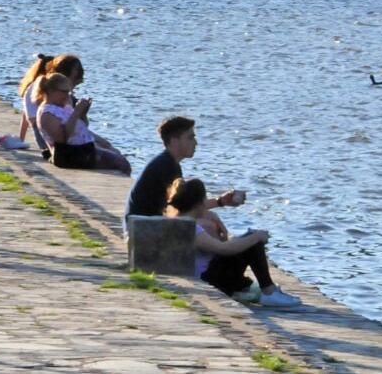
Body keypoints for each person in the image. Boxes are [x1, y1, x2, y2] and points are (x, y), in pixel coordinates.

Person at [168, 178, 301, 307]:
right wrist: (256, 237)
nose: (206, 203)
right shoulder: (190, 229)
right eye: (204, 199)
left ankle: (267, 290)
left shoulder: (179, 221)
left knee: (248, 238)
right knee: (252, 241)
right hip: (207, 281)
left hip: (206, 275)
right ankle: (269, 292)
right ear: (198, 203)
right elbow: (223, 249)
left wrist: (244, 237)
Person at [126, 116, 245, 223]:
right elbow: (185, 210)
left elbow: (186, 206)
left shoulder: (169, 164)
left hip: (142, 226)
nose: (196, 143)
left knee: (207, 220)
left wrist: (221, 201)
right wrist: (220, 202)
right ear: (174, 140)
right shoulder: (165, 166)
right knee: (208, 223)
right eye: (190, 137)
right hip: (143, 229)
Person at [35, 73, 131, 173]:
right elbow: (63, 140)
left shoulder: (62, 107)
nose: (67, 95)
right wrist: (76, 112)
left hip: (82, 150)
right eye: (64, 92)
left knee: (117, 154)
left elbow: (79, 127)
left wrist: (82, 113)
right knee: (122, 164)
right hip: (71, 155)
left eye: (69, 92)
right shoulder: (47, 114)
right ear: (51, 91)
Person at [18, 53, 84, 154]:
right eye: (73, 83)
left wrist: (20, 139)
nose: (70, 90)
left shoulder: (41, 85)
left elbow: (26, 114)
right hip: (51, 140)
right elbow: (63, 129)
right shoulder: (48, 92)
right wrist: (78, 112)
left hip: (48, 136)